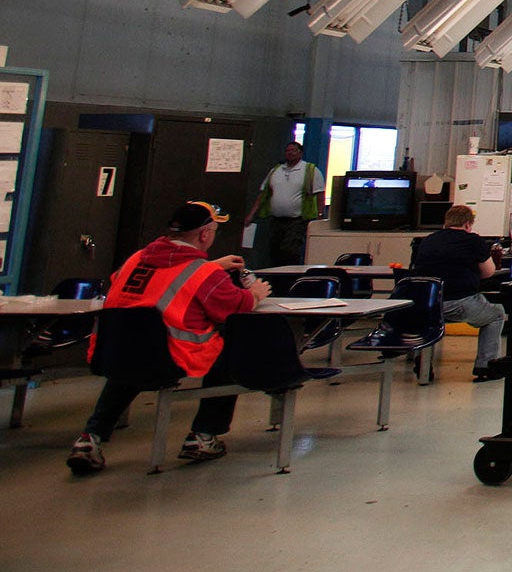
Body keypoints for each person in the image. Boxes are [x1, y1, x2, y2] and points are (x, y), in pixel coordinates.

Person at [68, 201, 267, 475]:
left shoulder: (135, 259)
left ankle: (91, 438)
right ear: (204, 235)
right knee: (232, 346)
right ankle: (203, 435)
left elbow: (165, 276)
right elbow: (235, 307)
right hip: (172, 359)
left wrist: (212, 266)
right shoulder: (203, 273)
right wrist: (255, 293)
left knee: (134, 354)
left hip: (112, 353)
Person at [411, 204, 508, 381]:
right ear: (467, 224)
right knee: (496, 314)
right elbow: (488, 272)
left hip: (427, 303)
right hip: (459, 301)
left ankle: (422, 361)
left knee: (430, 323)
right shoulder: (473, 241)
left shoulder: (428, 241)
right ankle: (486, 366)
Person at [245, 139, 324, 268]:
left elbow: (320, 194)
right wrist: (251, 215)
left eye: (294, 150)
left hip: (297, 221)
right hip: (276, 221)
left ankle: (289, 281)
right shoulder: (276, 170)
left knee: (290, 251)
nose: (290, 153)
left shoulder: (310, 170)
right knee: (275, 251)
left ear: (300, 153)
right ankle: (276, 282)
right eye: (288, 151)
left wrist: (320, 216)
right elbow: (263, 194)